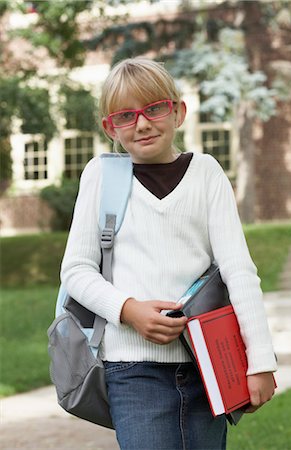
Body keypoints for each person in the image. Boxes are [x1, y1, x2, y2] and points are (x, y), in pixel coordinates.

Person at [61, 57, 277, 450]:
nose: (142, 123)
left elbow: (239, 272)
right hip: (131, 370)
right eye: (126, 115)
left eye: (154, 108)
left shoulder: (207, 173)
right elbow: (76, 271)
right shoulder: (101, 175)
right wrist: (128, 310)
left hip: (208, 366)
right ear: (110, 127)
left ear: (178, 111)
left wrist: (260, 361)